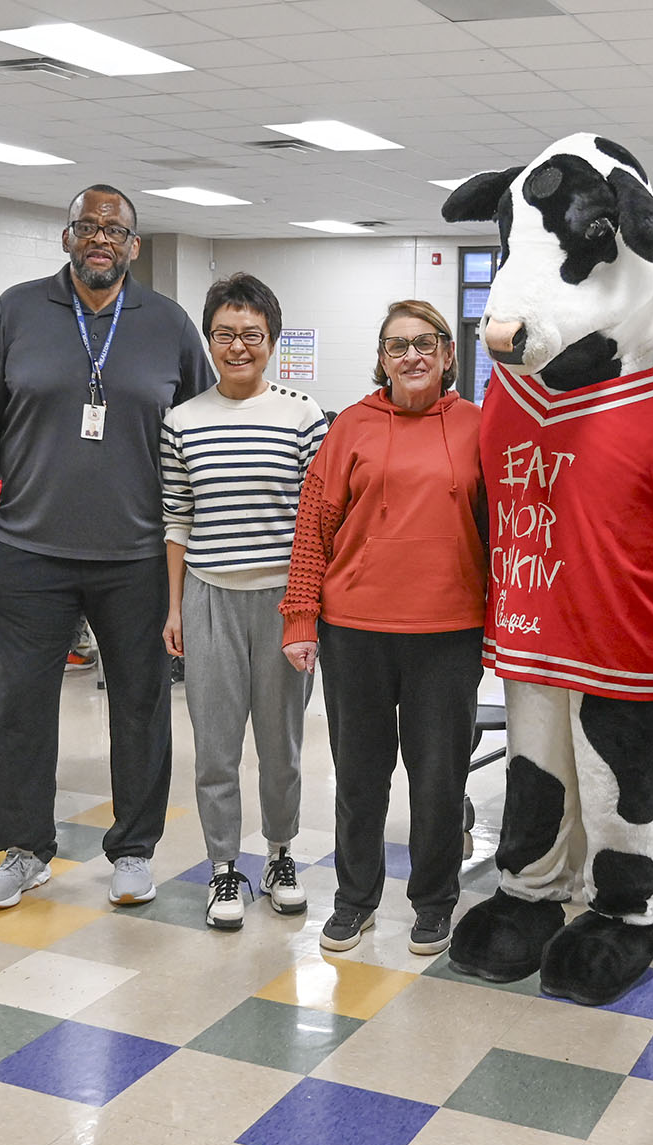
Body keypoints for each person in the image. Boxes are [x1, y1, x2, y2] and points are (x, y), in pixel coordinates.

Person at [0, 183, 213, 912]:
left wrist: (202, 546)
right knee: (24, 708)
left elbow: (203, 436)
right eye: (87, 227)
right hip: (27, 554)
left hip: (137, 556)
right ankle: (26, 850)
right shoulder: (17, 312)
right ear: (67, 238)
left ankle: (132, 850)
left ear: (133, 244)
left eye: (116, 230)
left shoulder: (168, 324)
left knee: (140, 704)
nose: (101, 239)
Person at [281, 298, 485, 954]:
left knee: (439, 779)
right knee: (360, 775)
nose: (413, 356)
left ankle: (433, 902)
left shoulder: (481, 427)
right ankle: (354, 899)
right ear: (382, 360)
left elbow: (506, 535)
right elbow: (312, 528)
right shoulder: (351, 428)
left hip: (448, 633)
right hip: (356, 630)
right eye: (398, 346)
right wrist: (299, 618)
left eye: (426, 343)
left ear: (449, 354)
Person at [161, 272, 328, 929]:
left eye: (251, 335)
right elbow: (176, 519)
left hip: (283, 605)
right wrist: (174, 608)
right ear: (209, 341)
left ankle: (282, 855)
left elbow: (317, 523)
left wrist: (308, 610)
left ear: (271, 341)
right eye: (225, 334)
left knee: (282, 749)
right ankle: (224, 869)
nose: (238, 346)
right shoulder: (183, 420)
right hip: (208, 601)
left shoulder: (302, 414)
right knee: (215, 750)